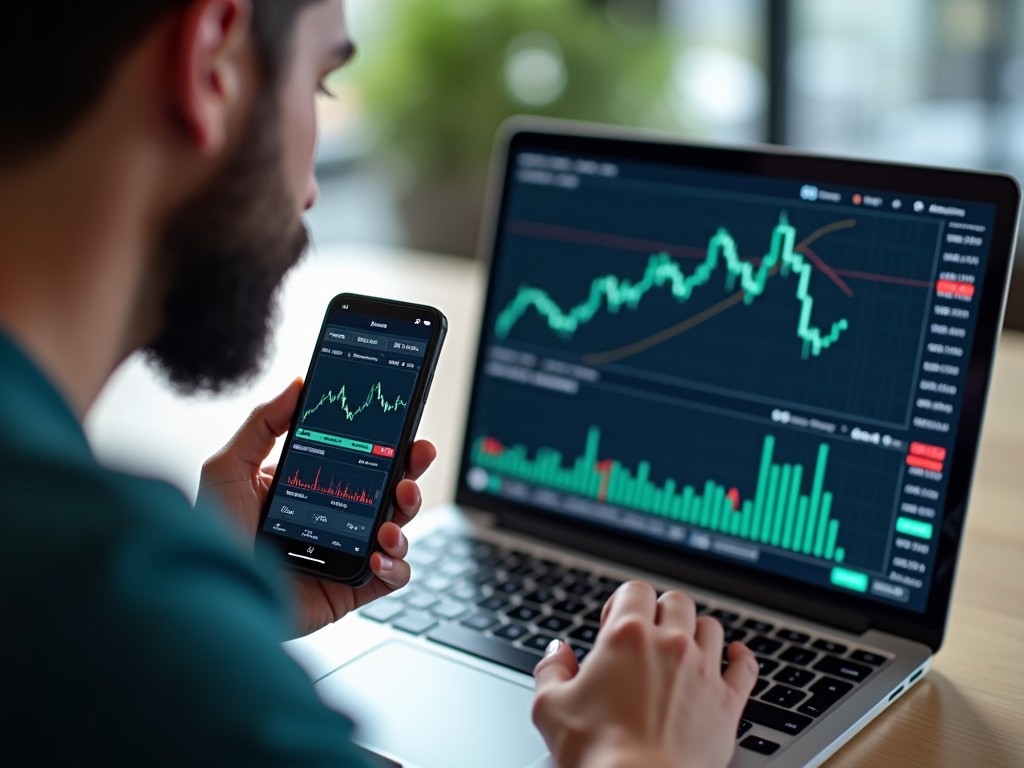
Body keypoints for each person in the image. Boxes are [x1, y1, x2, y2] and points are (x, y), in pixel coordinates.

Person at [0, 1, 758, 765]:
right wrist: (640, 754)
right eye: (322, 84)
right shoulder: (105, 599)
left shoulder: (104, 606)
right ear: (210, 65)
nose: (311, 194)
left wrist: (223, 618)